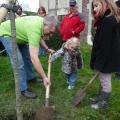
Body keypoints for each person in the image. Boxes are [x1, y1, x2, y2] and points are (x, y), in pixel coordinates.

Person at [0, 15, 57, 98]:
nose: (51, 35)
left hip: (20, 35)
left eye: (52, 33)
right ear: (45, 25)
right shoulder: (34, 28)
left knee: (26, 57)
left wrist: (47, 49)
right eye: (50, 32)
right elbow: (34, 58)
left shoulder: (42, 23)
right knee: (18, 62)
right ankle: (23, 89)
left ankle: (30, 78)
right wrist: (45, 77)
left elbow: (39, 38)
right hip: (7, 33)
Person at [90, 0, 120, 109]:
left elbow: (105, 45)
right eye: (93, 6)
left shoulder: (108, 20)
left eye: (96, 5)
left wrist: (100, 63)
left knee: (105, 80)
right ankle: (99, 97)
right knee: (103, 78)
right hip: (107, 57)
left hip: (107, 58)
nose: (94, 9)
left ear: (106, 5)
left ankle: (103, 103)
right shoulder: (106, 19)